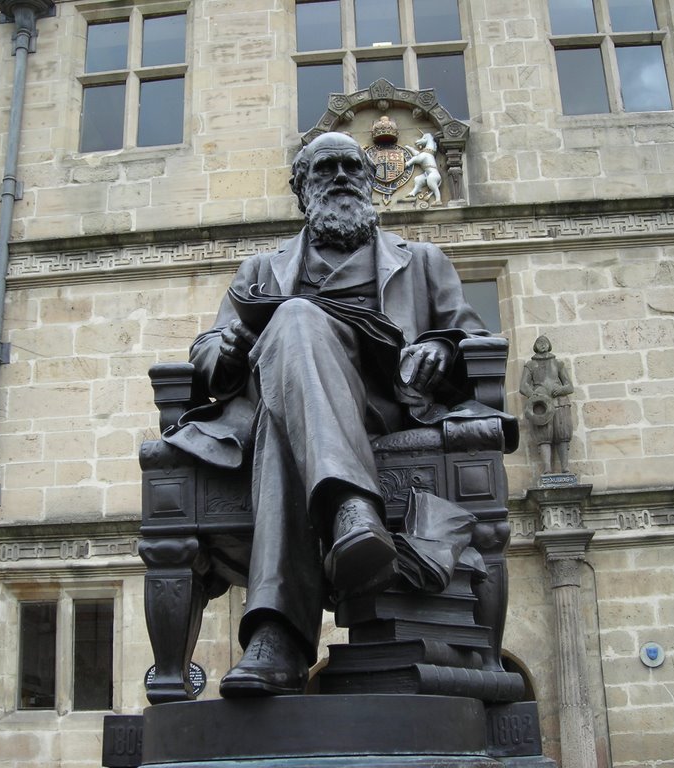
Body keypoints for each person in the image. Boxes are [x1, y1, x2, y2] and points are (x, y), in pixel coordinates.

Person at [165, 131, 492, 697]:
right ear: (302, 191)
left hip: (388, 408)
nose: (341, 177)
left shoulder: (423, 262)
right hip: (287, 413)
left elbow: (472, 336)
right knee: (290, 340)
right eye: (324, 170)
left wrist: (440, 346)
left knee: (288, 358)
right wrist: (234, 347)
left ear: (370, 184)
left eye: (351, 167)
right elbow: (206, 352)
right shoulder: (262, 270)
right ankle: (350, 510)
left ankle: (278, 635)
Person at [519, 335, 573, 475]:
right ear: (535, 346)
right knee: (544, 436)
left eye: (544, 342)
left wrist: (561, 389)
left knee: (563, 434)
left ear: (549, 345)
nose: (542, 344)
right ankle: (547, 469)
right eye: (539, 342)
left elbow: (569, 386)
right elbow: (523, 386)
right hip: (540, 405)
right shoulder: (530, 365)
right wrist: (534, 395)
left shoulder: (558, 364)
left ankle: (565, 468)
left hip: (559, 403)